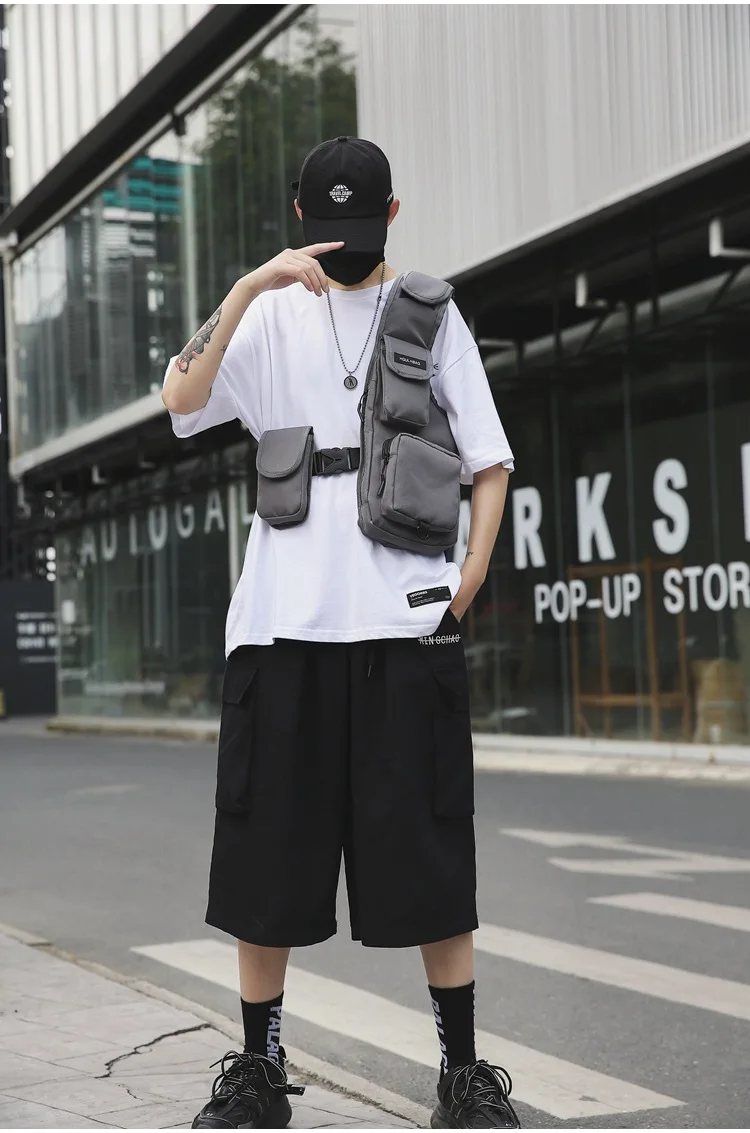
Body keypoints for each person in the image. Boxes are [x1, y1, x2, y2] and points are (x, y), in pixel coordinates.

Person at [162, 136, 519, 1130]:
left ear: (392, 215)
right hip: (280, 632)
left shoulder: (431, 314)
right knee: (264, 859)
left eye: (360, 228)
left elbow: (489, 462)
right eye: (326, 231)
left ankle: (461, 1072)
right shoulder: (268, 315)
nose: (343, 246)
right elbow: (180, 397)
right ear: (299, 219)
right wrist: (250, 284)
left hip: (406, 631)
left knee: (430, 854)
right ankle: (259, 1067)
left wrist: (465, 584)